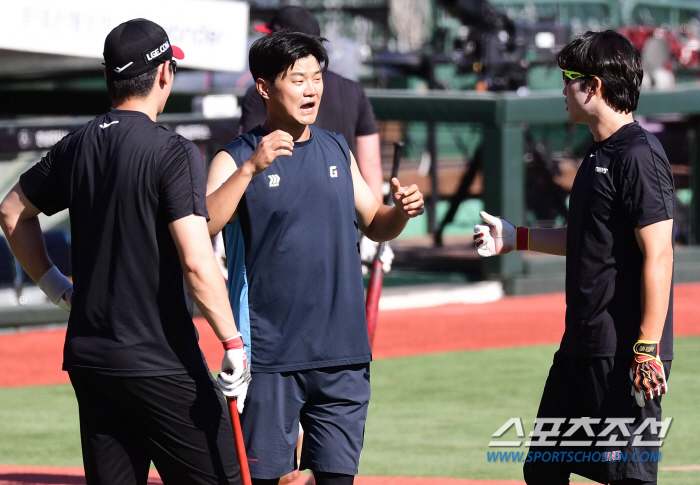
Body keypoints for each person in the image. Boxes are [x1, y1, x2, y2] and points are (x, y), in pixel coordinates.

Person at [0, 18, 249, 485]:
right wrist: (233, 341)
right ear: (163, 75)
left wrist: (58, 289)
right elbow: (196, 260)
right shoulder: (173, 151)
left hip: (91, 361)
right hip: (160, 361)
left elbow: (12, 213)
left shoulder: (77, 144)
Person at [207, 31, 424, 485]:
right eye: (297, 79)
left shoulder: (336, 148)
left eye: (316, 77)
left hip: (342, 354)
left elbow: (376, 223)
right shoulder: (235, 157)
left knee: (336, 480)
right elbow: (203, 224)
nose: (311, 89)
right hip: (269, 357)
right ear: (264, 88)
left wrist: (400, 213)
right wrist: (250, 170)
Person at [474, 30, 673, 485]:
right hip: (581, 342)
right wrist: (515, 236)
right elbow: (585, 238)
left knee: (627, 477)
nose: (563, 89)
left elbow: (660, 254)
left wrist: (647, 347)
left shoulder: (639, 154)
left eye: (569, 78)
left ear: (595, 86)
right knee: (543, 468)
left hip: (624, 350)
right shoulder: (597, 152)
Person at [241, 6, 392, 273]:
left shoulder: (260, 93)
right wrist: (372, 226)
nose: (310, 91)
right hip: (339, 224)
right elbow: (371, 165)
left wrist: (381, 222)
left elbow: (250, 150)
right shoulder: (353, 90)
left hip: (280, 227)